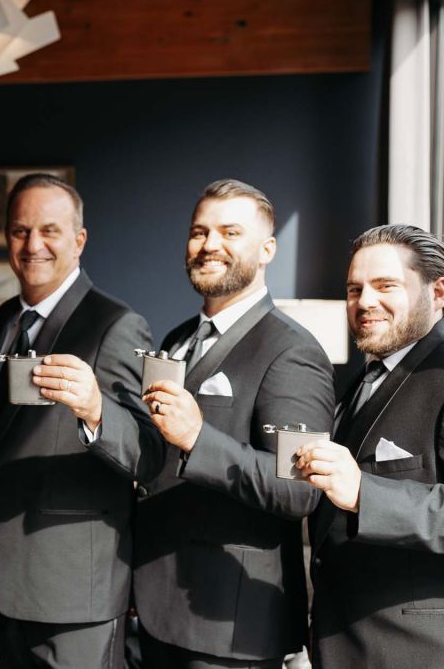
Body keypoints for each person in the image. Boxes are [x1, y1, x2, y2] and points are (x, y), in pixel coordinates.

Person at [97, 179, 335, 668]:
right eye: (199, 232)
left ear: (267, 249)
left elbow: (300, 492)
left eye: (230, 232)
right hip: (154, 610)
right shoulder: (178, 338)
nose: (210, 245)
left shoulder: (295, 351)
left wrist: (198, 440)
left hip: (231, 625)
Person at [0, 173, 152, 668]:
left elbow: (148, 451)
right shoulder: (0, 321)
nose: (33, 245)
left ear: (79, 240)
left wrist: (95, 410)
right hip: (2, 578)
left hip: (76, 589)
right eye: (20, 231)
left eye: (49, 230)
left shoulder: (115, 324)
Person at [299, 225, 444, 667]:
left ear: (439, 293)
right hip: (339, 641)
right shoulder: (361, 379)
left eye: (386, 286)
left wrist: (365, 493)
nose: (364, 302)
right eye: (354, 288)